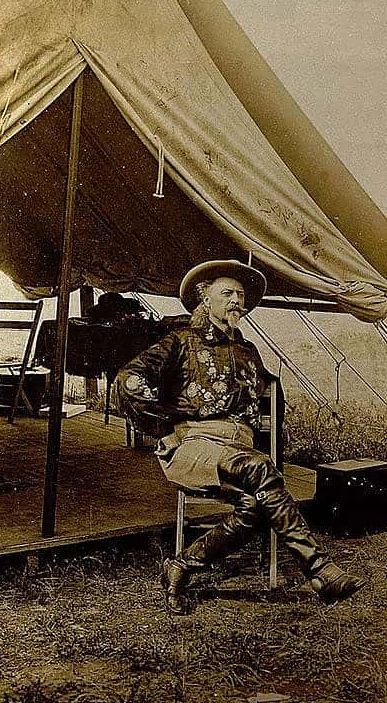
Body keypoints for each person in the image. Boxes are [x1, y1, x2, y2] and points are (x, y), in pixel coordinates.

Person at [114, 259, 367, 615]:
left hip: (240, 453)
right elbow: (128, 380)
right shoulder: (179, 342)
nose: (236, 301)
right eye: (227, 293)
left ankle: (180, 566)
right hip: (194, 446)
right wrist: (162, 430)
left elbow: (273, 403)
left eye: (241, 295)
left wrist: (268, 455)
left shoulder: (248, 352)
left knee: (258, 505)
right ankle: (319, 569)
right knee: (261, 474)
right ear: (205, 299)